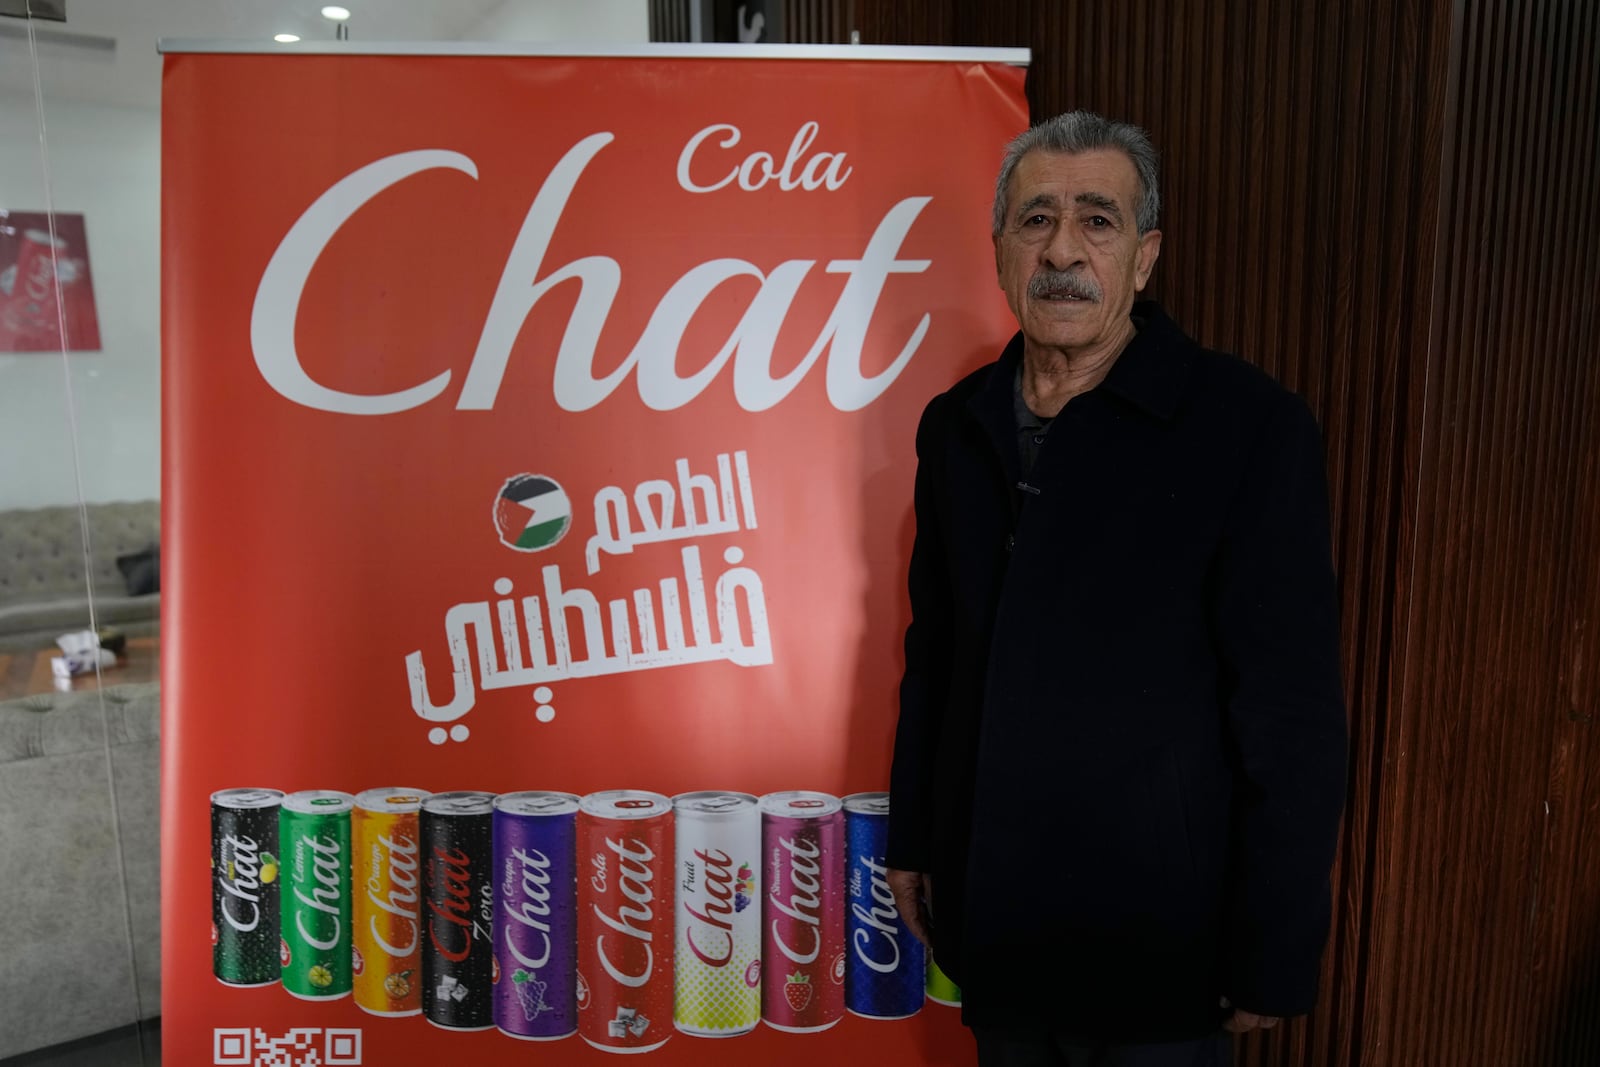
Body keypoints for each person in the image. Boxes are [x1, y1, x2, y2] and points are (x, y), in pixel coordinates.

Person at [885, 111, 1348, 1067]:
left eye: (1097, 220)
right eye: (1035, 219)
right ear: (1001, 249)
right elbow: (935, 651)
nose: (1062, 248)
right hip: (998, 922)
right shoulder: (955, 425)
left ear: (1145, 257)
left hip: (1161, 950)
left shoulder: (1248, 426)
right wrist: (918, 839)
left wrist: (1275, 948)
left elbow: (1293, 712)